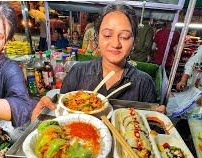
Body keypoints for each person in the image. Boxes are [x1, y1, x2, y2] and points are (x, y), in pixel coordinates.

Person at [33, 4, 165, 119]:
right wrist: (43, 114)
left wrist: (157, 120)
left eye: (124, 37)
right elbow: (62, 113)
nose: (115, 43)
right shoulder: (78, 72)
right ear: (97, 38)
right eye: (107, 35)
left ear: (134, 41)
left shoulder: (144, 83)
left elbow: (147, 129)